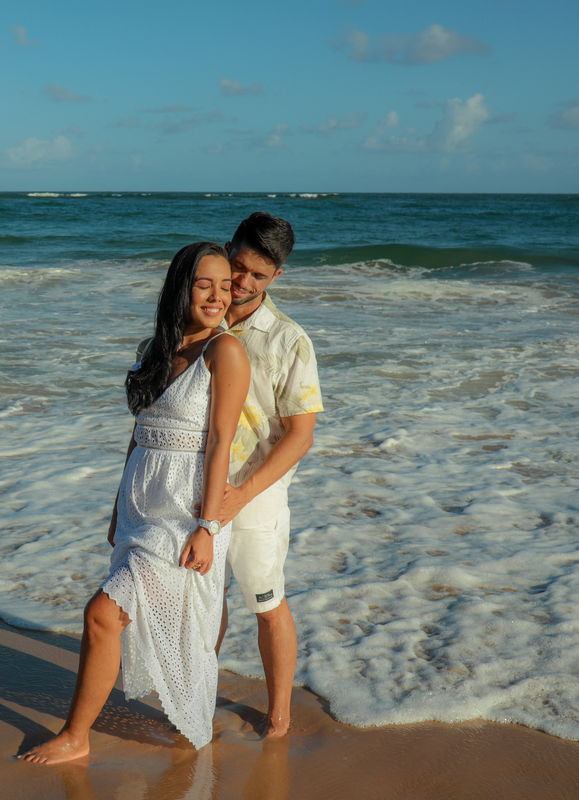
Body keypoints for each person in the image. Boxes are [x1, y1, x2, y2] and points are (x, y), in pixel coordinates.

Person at [20, 242, 250, 764]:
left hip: (186, 508)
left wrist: (208, 526)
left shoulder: (226, 352)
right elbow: (140, 432)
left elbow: (220, 444)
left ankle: (76, 738)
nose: (216, 296)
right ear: (181, 287)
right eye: (202, 284)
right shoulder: (154, 347)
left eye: (223, 285)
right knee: (142, 618)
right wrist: (115, 508)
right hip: (141, 503)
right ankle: (182, 714)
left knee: (103, 614)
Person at [213, 212, 323, 739]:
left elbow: (300, 436)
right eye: (238, 267)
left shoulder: (288, 340)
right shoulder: (198, 318)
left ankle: (278, 716)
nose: (243, 283)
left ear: (276, 277)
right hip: (193, 485)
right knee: (201, 603)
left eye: (258, 275)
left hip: (255, 493)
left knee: (266, 603)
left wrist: (242, 494)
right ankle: (194, 697)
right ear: (226, 249)